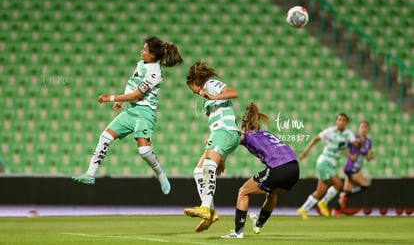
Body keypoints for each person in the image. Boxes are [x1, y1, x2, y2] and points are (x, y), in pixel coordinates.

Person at [72, 36, 183, 195]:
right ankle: (90, 174)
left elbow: (136, 95)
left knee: (144, 152)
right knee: (105, 137)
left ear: (152, 55)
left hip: (145, 113)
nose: (141, 51)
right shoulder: (142, 64)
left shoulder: (154, 73)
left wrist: (110, 98)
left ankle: (160, 174)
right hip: (131, 110)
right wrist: (122, 101)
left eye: (144, 50)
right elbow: (132, 83)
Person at [221, 102, 299, 239]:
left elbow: (233, 140)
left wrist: (219, 151)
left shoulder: (248, 135)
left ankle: (238, 232)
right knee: (272, 193)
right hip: (294, 169)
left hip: (279, 168)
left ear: (243, 127)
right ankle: (258, 224)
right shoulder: (266, 134)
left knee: (243, 192)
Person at [183, 61, 241, 232]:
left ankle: (205, 207)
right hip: (220, 134)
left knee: (208, 166)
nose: (193, 92)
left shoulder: (211, 85)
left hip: (225, 132)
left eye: (191, 87)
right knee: (198, 171)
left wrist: (213, 96)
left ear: (196, 82)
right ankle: (211, 212)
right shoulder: (207, 97)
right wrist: (222, 158)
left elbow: (232, 92)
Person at [297, 113, 362, 219]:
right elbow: (315, 139)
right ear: (336, 121)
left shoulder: (348, 134)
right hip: (324, 162)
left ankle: (303, 209)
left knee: (320, 191)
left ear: (347, 122)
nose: (341, 122)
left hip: (332, 165)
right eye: (339, 120)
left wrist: (359, 143)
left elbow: (351, 146)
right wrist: (305, 152)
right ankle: (323, 202)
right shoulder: (330, 131)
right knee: (338, 184)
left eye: (343, 120)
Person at [333, 121, 374, 216]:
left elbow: (367, 156)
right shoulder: (353, 139)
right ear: (359, 128)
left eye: (366, 127)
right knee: (365, 185)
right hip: (350, 167)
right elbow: (342, 147)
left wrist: (370, 157)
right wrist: (350, 155)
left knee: (346, 190)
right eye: (362, 127)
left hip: (357, 168)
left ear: (368, 130)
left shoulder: (368, 142)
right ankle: (345, 196)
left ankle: (336, 211)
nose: (364, 128)